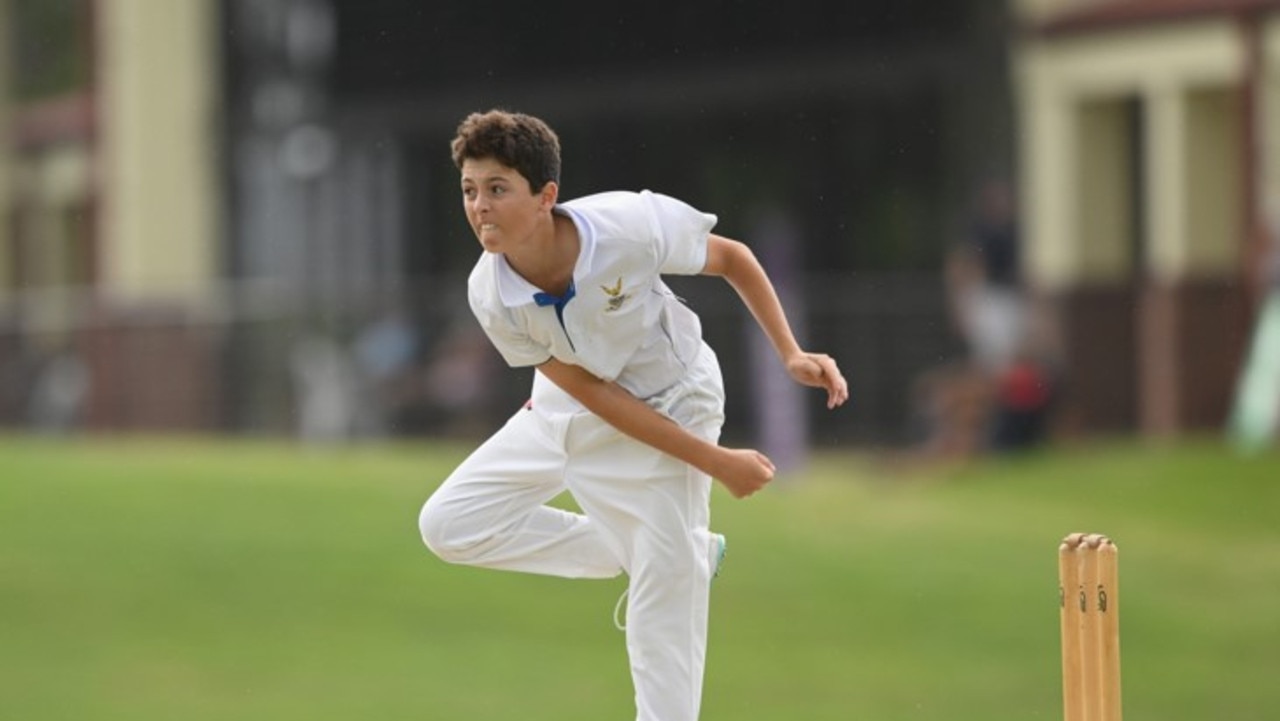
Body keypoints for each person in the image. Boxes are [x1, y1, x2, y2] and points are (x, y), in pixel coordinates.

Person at [418, 110, 848, 721]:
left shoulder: (627, 226)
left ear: (546, 197)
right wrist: (719, 465)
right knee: (449, 525)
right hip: (573, 404)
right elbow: (593, 394)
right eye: (468, 190)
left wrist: (791, 352)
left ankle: (668, 557)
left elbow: (732, 258)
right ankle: (660, 550)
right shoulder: (488, 292)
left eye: (497, 189)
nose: (479, 207)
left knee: (662, 602)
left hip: (677, 397)